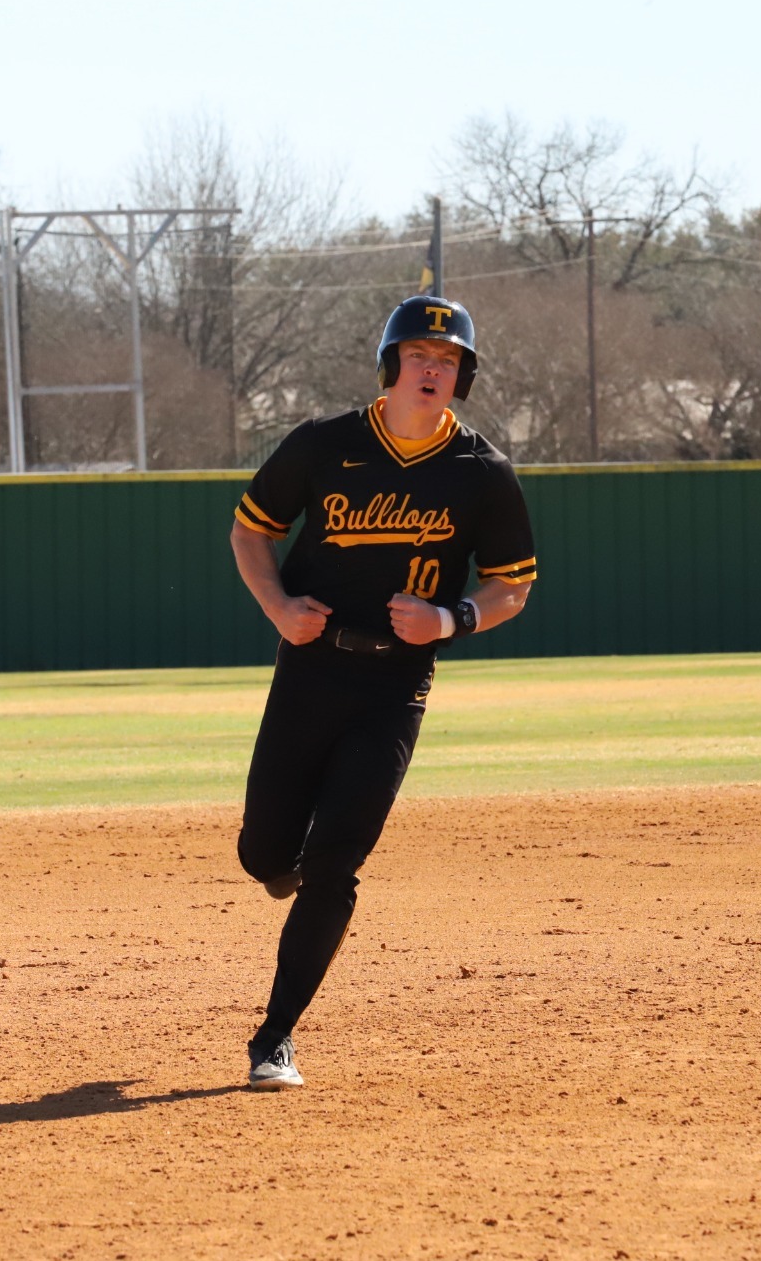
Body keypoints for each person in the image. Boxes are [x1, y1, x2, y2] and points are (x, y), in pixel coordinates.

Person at [230, 295, 538, 1089]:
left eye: (449, 361)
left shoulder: (482, 473)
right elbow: (251, 529)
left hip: (395, 687)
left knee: (336, 864)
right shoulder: (324, 445)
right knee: (264, 853)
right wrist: (278, 606)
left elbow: (512, 585)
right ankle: (280, 863)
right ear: (391, 365)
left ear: (461, 378)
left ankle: (275, 1036)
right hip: (311, 669)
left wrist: (450, 617)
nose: (433, 370)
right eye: (419, 356)